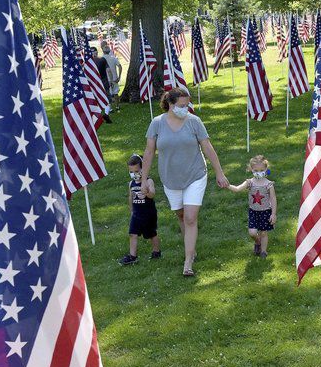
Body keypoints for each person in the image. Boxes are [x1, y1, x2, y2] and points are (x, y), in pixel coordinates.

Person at [139, 87, 229, 276]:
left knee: (190, 217)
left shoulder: (194, 122)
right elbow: (148, 152)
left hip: (195, 174)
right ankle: (191, 246)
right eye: (181, 105)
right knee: (181, 215)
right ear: (170, 105)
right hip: (170, 178)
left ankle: (188, 261)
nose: (185, 108)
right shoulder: (156, 124)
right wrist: (144, 179)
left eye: (187, 105)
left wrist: (219, 173)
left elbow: (208, 148)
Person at [228, 155, 277, 258]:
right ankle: (257, 242)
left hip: (265, 211)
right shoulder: (249, 182)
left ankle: (263, 251)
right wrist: (227, 185)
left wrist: (273, 214)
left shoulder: (269, 184)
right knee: (252, 233)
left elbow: (273, 199)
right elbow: (237, 189)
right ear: (251, 170)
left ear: (266, 169)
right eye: (256, 170)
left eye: (261, 170)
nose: (259, 172)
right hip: (253, 212)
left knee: (263, 233)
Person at [119, 154, 161, 265]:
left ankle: (156, 251)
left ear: (143, 169)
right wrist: (131, 210)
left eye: (137, 171)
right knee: (132, 233)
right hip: (136, 213)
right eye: (131, 172)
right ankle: (133, 256)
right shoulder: (131, 183)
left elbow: (152, 194)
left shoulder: (148, 181)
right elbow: (130, 196)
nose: (134, 174)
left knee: (151, 233)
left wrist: (146, 192)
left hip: (148, 213)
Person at [92, 46, 112, 123]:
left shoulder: (89, 62)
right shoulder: (102, 59)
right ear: (97, 52)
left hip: (94, 84)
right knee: (107, 99)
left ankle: (97, 116)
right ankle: (106, 114)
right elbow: (108, 70)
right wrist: (111, 80)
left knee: (96, 99)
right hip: (104, 82)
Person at [101, 42, 122, 106]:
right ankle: (117, 106)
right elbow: (120, 66)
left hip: (106, 79)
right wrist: (119, 77)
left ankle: (109, 108)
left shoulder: (101, 59)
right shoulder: (113, 58)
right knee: (116, 93)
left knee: (107, 94)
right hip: (114, 78)